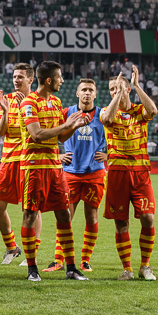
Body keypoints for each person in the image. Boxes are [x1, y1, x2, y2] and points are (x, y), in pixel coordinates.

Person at [18, 60, 88, 282]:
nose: (62, 81)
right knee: (30, 215)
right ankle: (32, 269)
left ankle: (70, 267)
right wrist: (67, 125)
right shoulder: (29, 103)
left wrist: (72, 127)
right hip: (34, 167)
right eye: (59, 77)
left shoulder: (57, 102)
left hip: (55, 168)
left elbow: (59, 136)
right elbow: (37, 135)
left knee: (64, 215)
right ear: (49, 80)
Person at [100, 68, 158, 281]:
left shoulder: (138, 111)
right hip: (117, 173)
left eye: (117, 87)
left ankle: (145, 266)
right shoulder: (106, 110)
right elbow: (107, 119)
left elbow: (152, 112)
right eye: (110, 89)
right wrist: (117, 96)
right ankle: (127, 269)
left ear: (126, 88)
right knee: (121, 222)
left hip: (140, 172)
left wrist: (136, 86)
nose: (113, 91)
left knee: (148, 218)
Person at [59, 78, 107, 273]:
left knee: (92, 216)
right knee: (65, 216)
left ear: (95, 94)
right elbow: (49, 132)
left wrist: (109, 153)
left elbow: (120, 135)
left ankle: (85, 260)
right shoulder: (67, 113)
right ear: (77, 93)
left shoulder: (103, 115)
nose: (87, 93)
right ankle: (58, 259)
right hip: (70, 172)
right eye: (84, 90)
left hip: (94, 172)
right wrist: (58, 154)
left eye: (90, 90)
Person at [0, 63, 36, 265]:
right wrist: (7, 111)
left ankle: (30, 253)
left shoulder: (36, 101)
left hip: (28, 159)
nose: (16, 80)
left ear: (31, 80)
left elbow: (36, 132)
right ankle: (12, 247)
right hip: (8, 160)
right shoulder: (7, 99)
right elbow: (1, 131)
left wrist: (24, 107)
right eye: (15, 76)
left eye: (21, 77)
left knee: (31, 209)